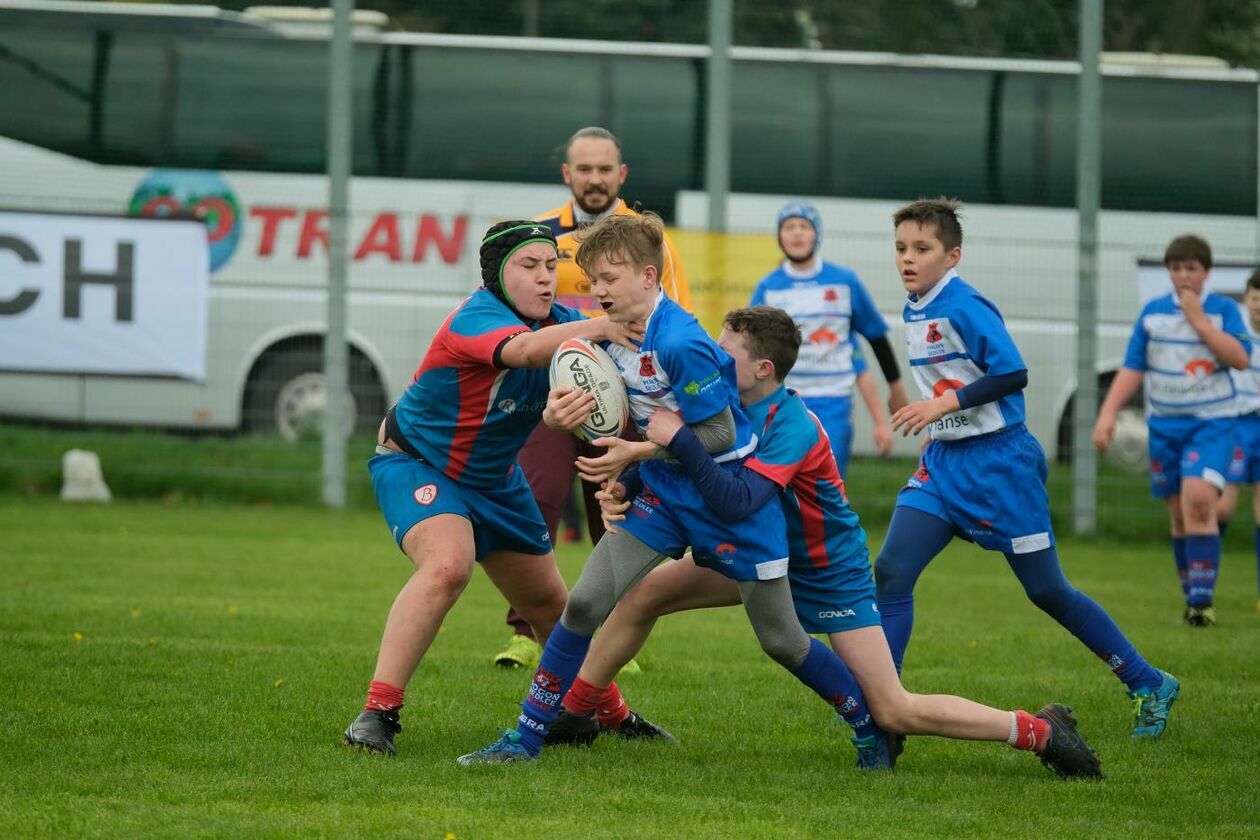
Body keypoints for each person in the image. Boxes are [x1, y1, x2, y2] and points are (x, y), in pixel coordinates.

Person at [544, 305, 1104, 777]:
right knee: (644, 596)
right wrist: (628, 481)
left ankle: (1036, 731)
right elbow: (682, 457)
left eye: (726, 353)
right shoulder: (723, 406)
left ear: (763, 368)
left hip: (822, 569)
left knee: (893, 709)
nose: (712, 360)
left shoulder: (790, 426)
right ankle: (575, 714)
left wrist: (665, 449)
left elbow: (737, 499)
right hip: (760, 557)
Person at [457, 212, 884, 767]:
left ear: (649, 277)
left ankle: (869, 726)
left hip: (730, 502)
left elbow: (721, 432)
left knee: (782, 640)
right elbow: (602, 403)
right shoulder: (608, 336)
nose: (597, 291)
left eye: (609, 279)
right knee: (585, 602)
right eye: (591, 280)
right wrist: (573, 422)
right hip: (665, 496)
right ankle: (525, 740)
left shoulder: (682, 341)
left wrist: (641, 452)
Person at [877, 198, 1180, 739]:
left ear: (953, 256)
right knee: (892, 572)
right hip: (944, 465)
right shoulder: (915, 305)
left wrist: (944, 405)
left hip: (1000, 466)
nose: (908, 258)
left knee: (1046, 591)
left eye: (922, 248)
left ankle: (1147, 681)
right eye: (901, 247)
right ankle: (888, 710)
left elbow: (1014, 373)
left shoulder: (964, 304)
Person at [341, 221, 640, 757]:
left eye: (551, 266)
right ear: (497, 275)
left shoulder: (566, 325)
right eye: (530, 267)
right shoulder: (476, 317)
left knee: (554, 605)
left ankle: (605, 711)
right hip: (419, 464)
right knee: (448, 566)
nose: (546, 279)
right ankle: (377, 713)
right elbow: (526, 353)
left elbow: (593, 369)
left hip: (497, 481)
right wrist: (602, 327)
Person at [495, 125, 691, 670]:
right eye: (585, 169)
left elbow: (676, 319)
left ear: (621, 175)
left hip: (625, 396)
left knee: (615, 511)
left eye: (605, 169)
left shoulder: (650, 239)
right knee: (535, 498)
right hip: (553, 398)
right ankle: (527, 629)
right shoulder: (542, 240)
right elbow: (524, 323)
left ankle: (608, 637)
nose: (595, 179)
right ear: (568, 174)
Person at [1095, 235, 1250, 626]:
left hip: (1211, 425)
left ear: (1206, 272)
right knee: (1180, 516)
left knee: (1199, 501)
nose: (1183, 275)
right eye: (1176, 268)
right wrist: (1108, 414)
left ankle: (1202, 602)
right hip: (1164, 427)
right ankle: (1192, 597)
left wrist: (1197, 320)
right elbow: (1133, 367)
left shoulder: (1222, 311)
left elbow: (1239, 358)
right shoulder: (1152, 314)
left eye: (1192, 268)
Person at [749, 201, 907, 476]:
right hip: (785, 402)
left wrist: (895, 390)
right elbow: (749, 347)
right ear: (779, 236)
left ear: (816, 234)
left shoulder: (844, 281)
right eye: (789, 227)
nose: (797, 233)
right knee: (781, 484)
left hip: (833, 402)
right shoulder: (768, 287)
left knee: (827, 483)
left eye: (804, 226)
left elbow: (876, 337)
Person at [1217, 270, 1260, 612]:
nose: (1259, 306)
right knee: (1222, 507)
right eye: (1255, 298)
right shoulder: (1235, 331)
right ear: (1246, 300)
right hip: (1236, 424)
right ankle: (1201, 589)